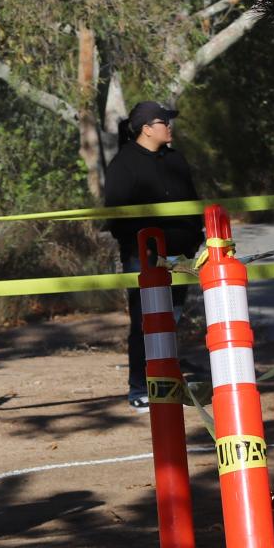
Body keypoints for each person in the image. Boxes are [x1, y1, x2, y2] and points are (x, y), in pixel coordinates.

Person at [103, 101, 204, 409]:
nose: (169, 127)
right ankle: (139, 388)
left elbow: (192, 202)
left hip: (181, 255)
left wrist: (194, 239)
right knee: (145, 323)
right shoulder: (123, 165)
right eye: (164, 122)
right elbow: (118, 218)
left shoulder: (176, 160)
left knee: (171, 320)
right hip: (143, 258)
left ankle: (166, 381)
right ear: (147, 128)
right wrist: (143, 249)